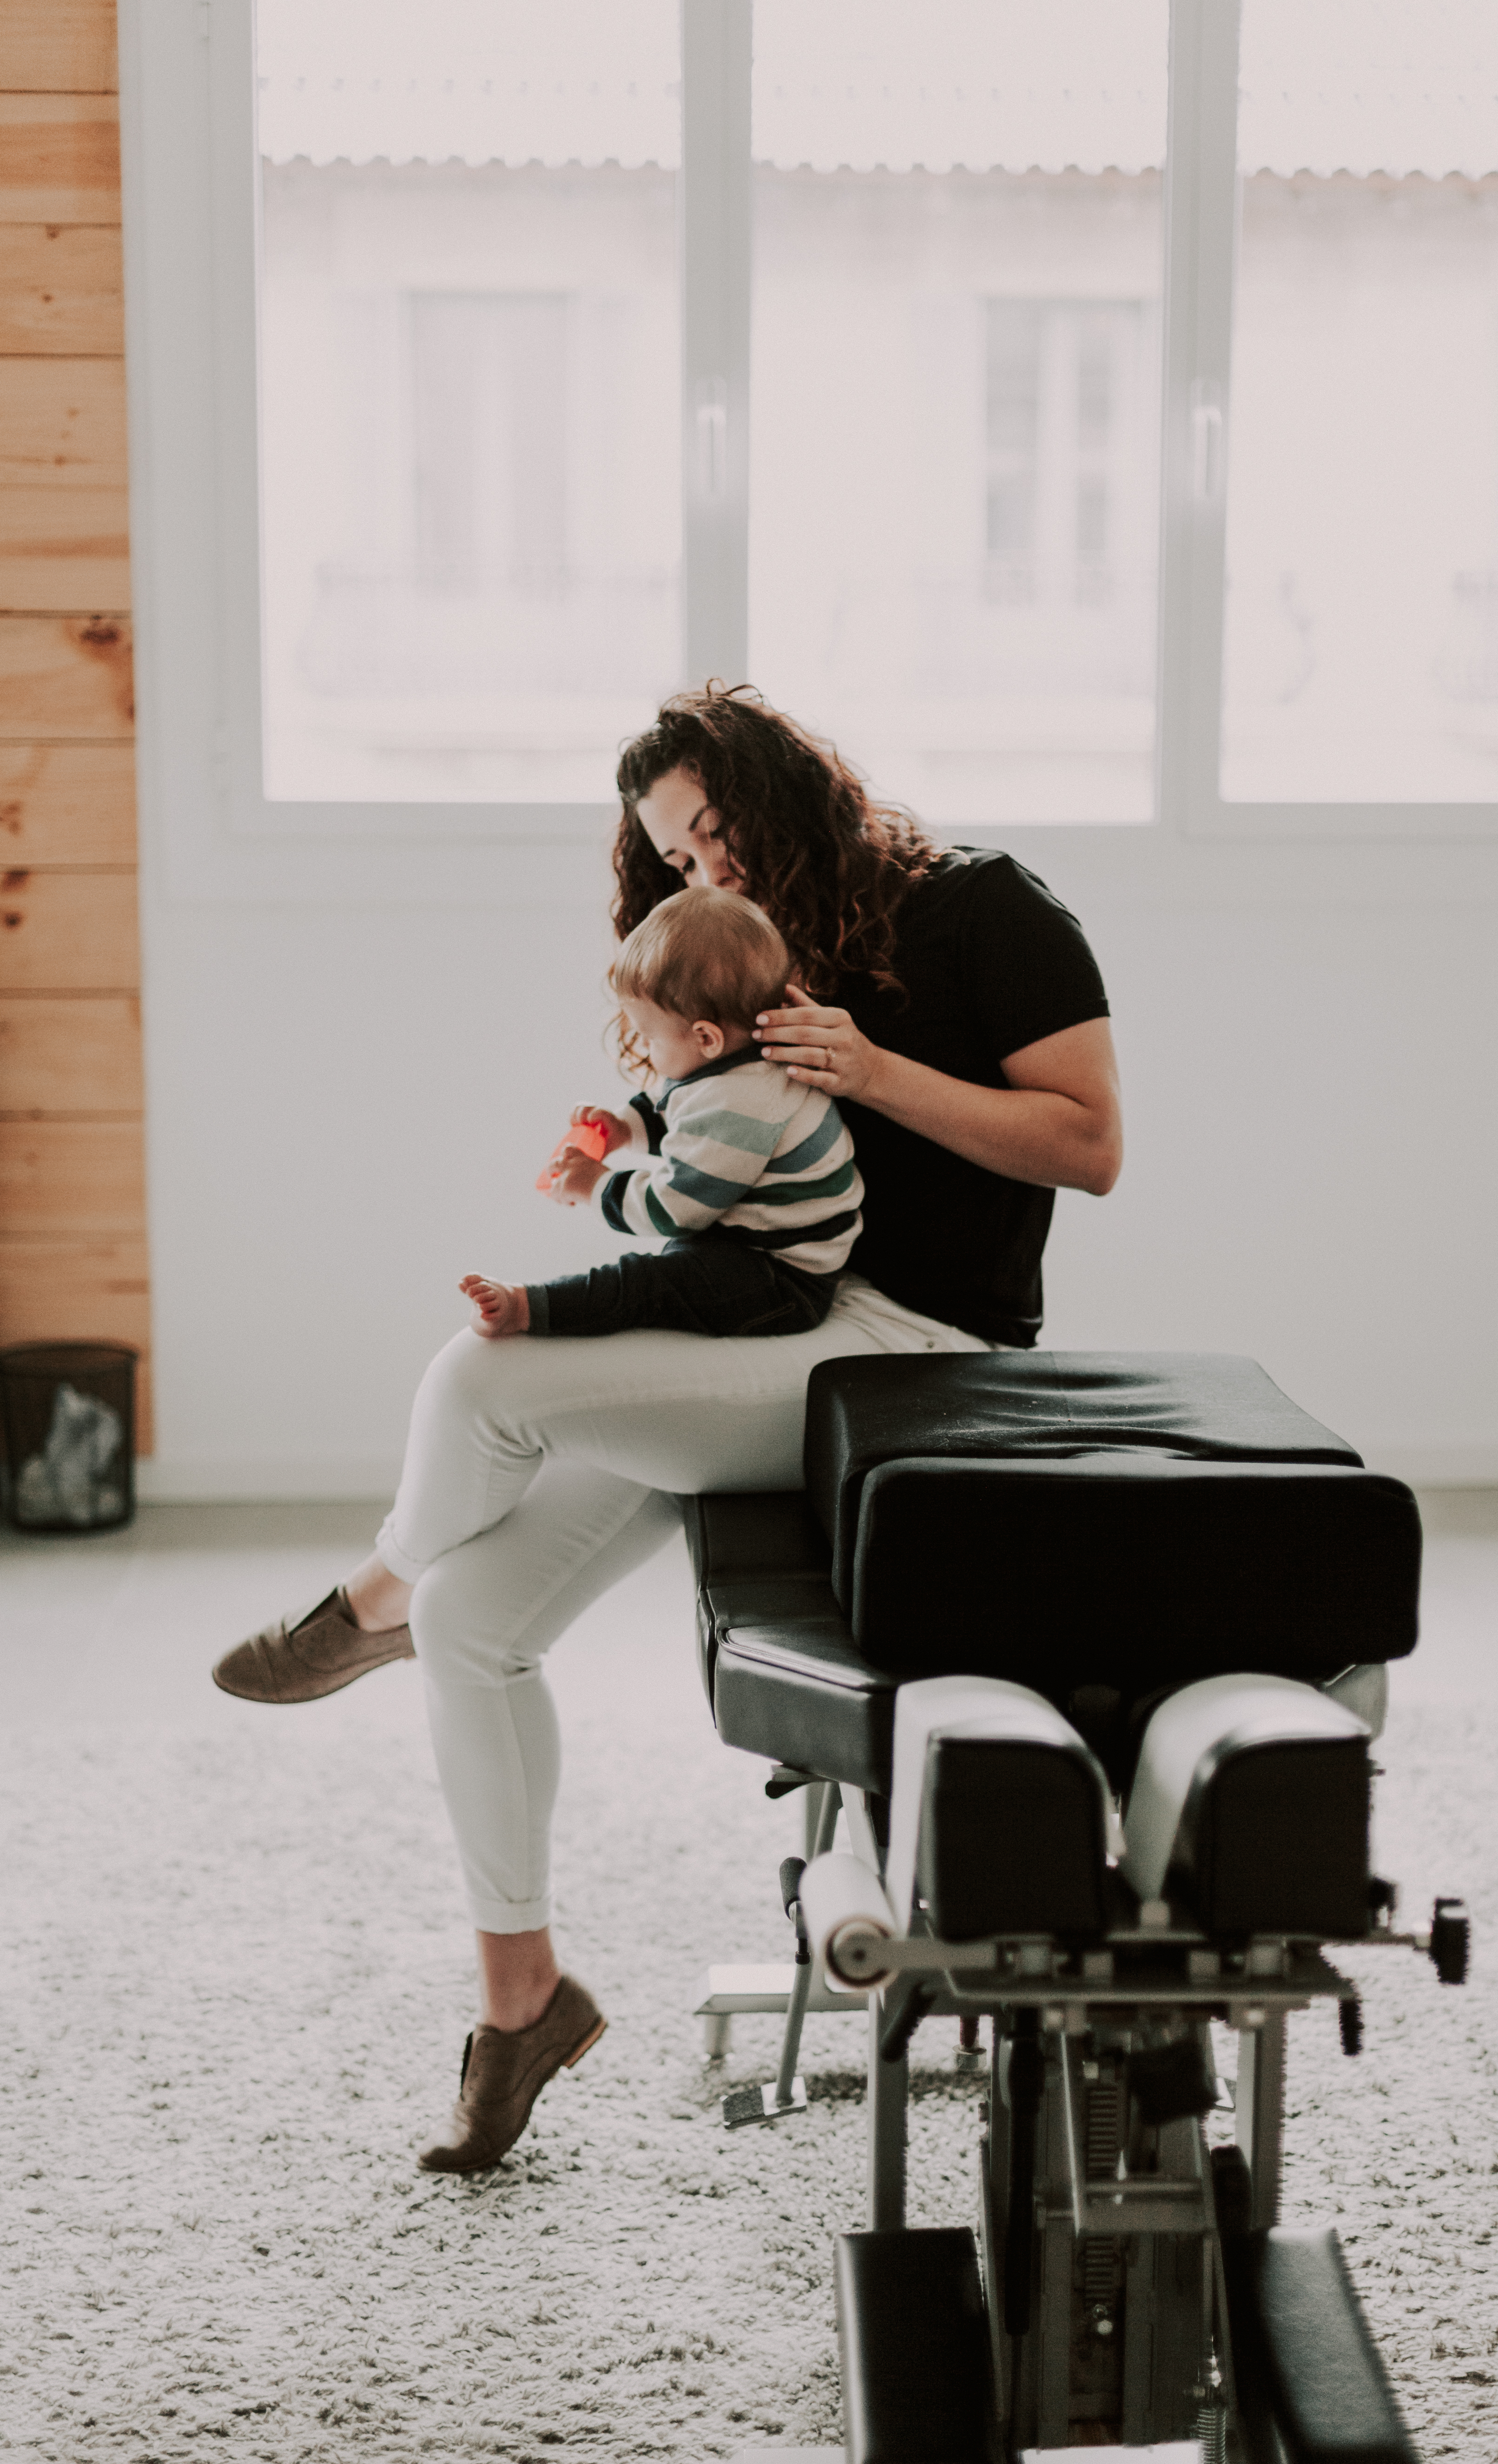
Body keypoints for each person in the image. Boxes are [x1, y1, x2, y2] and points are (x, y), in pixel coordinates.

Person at [212, 683, 1122, 2176]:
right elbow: (719, 1164)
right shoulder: (746, 943)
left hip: (910, 1343)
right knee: (478, 1617)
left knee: (483, 1373)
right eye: (677, 854)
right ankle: (524, 2002)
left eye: (717, 829)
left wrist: (869, 1066)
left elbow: (1090, 1146)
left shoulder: (984, 906)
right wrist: (638, 1131)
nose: (706, 867)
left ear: (788, 792)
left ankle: (361, 1597)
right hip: (765, 1316)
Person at [458, 882, 863, 1345]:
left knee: (650, 1283)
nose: (646, 1050)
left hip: (785, 1279)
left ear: (706, 1037)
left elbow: (674, 1210)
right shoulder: (731, 1064)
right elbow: (675, 1106)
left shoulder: (745, 1101)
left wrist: (594, 1185)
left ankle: (528, 1307)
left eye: (649, 1037)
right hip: (752, 1238)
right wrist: (623, 1129)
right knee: (675, 1264)